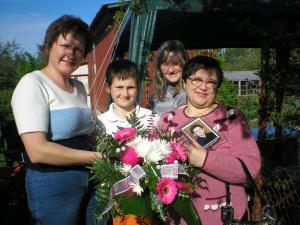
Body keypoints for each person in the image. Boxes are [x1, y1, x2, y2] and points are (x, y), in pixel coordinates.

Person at [11, 15, 106, 225]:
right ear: (48, 46)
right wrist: (95, 158)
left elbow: (83, 130)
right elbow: (37, 150)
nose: (71, 54)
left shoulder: (78, 87)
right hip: (53, 182)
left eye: (78, 49)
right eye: (65, 45)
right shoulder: (33, 84)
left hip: (92, 177)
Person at [158, 56, 261, 225]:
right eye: (196, 79)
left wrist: (206, 159)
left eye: (211, 82)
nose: (203, 86)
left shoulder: (231, 118)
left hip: (224, 217)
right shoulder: (167, 120)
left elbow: (251, 168)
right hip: (178, 219)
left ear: (217, 87)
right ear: (184, 82)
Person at [97, 59, 159, 225]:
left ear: (137, 88)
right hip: (115, 198)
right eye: (119, 87)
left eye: (130, 87)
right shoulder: (101, 122)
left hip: (144, 197)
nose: (125, 93)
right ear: (108, 88)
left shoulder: (150, 118)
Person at [150, 40, 189, 115]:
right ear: (159, 67)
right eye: (166, 64)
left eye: (175, 63)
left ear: (185, 63)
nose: (171, 70)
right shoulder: (156, 97)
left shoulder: (191, 93)